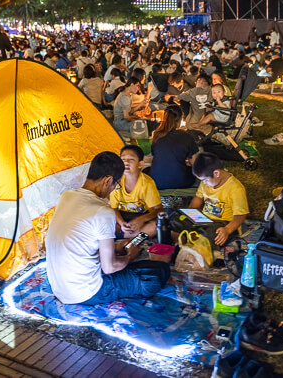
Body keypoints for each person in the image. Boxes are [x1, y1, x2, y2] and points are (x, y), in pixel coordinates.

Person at [45, 151, 170, 305]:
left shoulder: (67, 196)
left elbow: (80, 242)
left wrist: (116, 247)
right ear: (107, 181)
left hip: (59, 288)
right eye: (115, 185)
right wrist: (129, 257)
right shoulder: (103, 211)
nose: (113, 190)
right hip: (87, 292)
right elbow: (110, 268)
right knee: (156, 275)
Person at [184, 151, 248, 247]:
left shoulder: (236, 189)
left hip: (223, 224)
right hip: (204, 219)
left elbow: (240, 216)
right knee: (175, 220)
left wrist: (227, 230)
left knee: (208, 236)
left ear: (216, 173)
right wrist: (189, 214)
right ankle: (180, 245)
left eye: (205, 180)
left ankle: (196, 249)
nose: (204, 183)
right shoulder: (206, 183)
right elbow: (198, 198)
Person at [110, 145, 162, 239]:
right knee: (102, 221)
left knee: (155, 226)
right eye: (123, 159)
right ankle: (133, 237)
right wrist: (122, 223)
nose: (126, 162)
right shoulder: (116, 181)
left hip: (143, 217)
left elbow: (159, 210)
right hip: (122, 218)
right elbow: (113, 208)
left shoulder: (147, 183)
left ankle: (123, 236)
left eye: (131, 159)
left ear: (140, 164)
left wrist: (141, 219)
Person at [148, 106, 199, 189]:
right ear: (180, 119)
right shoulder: (186, 136)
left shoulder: (157, 135)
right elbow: (194, 163)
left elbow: (157, 157)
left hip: (157, 183)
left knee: (147, 170)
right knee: (191, 171)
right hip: (181, 182)